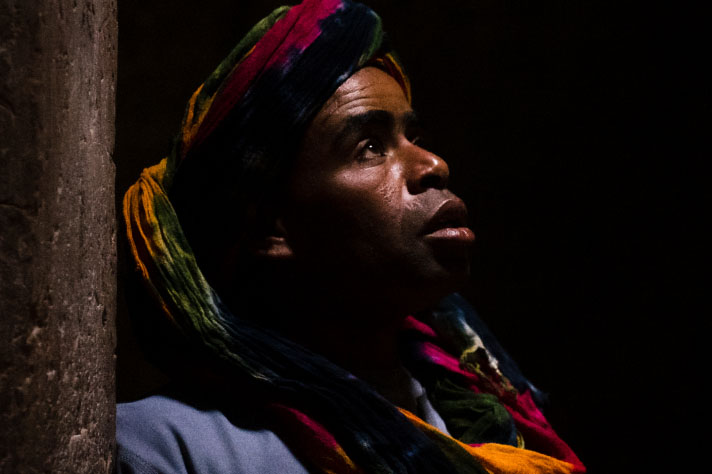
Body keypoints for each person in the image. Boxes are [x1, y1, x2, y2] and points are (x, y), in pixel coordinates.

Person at [117, 1, 586, 473]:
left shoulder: (489, 422)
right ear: (269, 227)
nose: (433, 164)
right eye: (370, 148)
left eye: (414, 137)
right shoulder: (167, 451)